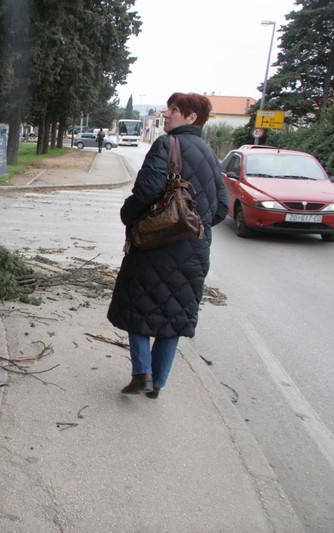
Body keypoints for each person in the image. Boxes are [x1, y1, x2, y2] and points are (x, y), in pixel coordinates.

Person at [107, 92, 228, 399]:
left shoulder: (166, 144)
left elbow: (147, 190)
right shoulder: (210, 153)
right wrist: (190, 225)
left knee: (137, 306)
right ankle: (158, 383)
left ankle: (142, 373)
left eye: (175, 110)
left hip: (154, 245)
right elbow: (222, 208)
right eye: (170, 109)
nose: (168, 114)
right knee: (173, 316)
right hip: (194, 251)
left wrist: (128, 215)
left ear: (191, 117)